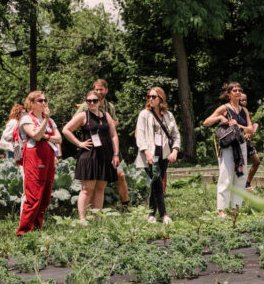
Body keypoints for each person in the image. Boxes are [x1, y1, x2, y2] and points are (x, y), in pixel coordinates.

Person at [63, 90, 121, 224]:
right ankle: (82, 219)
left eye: (95, 100)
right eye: (89, 101)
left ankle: (97, 217)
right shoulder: (83, 115)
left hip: (105, 155)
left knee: (100, 189)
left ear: (100, 101)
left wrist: (116, 153)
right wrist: (79, 143)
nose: (92, 103)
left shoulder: (106, 116)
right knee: (87, 189)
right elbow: (66, 130)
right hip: (89, 155)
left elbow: (114, 135)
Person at [75, 79, 130, 207]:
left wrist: (107, 124)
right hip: (92, 147)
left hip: (109, 145)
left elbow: (115, 122)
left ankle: (126, 204)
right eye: (96, 89)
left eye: (101, 89)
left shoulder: (110, 107)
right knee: (90, 184)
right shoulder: (86, 105)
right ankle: (86, 213)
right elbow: (75, 123)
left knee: (119, 174)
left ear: (106, 90)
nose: (98, 92)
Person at [204, 83, 254, 217]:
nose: (238, 92)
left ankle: (235, 208)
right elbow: (206, 122)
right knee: (225, 176)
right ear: (229, 94)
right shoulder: (224, 108)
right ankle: (221, 210)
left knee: (240, 177)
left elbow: (251, 129)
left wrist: (239, 125)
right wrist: (220, 118)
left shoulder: (244, 111)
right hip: (227, 146)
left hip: (241, 144)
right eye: (235, 90)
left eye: (240, 90)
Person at [16, 90, 62, 235]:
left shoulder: (50, 121)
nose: (44, 103)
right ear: (32, 103)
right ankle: (23, 232)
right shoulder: (26, 119)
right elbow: (35, 136)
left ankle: (36, 229)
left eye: (45, 100)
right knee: (34, 197)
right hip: (34, 158)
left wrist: (45, 136)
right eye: (40, 101)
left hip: (48, 159)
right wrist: (44, 129)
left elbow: (59, 139)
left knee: (45, 198)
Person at [135, 87, 180, 224]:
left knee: (157, 182)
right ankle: (164, 214)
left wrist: (175, 150)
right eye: (149, 96)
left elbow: (176, 135)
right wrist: (146, 152)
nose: (150, 99)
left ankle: (151, 214)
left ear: (161, 99)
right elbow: (140, 135)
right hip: (150, 154)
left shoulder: (168, 115)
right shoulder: (144, 114)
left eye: (154, 97)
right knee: (157, 182)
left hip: (164, 154)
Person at [239, 94, 262, 189]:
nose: (244, 102)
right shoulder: (233, 113)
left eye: (245, 100)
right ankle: (238, 184)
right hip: (238, 142)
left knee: (257, 161)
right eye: (242, 100)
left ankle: (247, 182)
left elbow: (250, 128)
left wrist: (251, 133)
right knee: (239, 165)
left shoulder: (248, 113)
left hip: (247, 142)